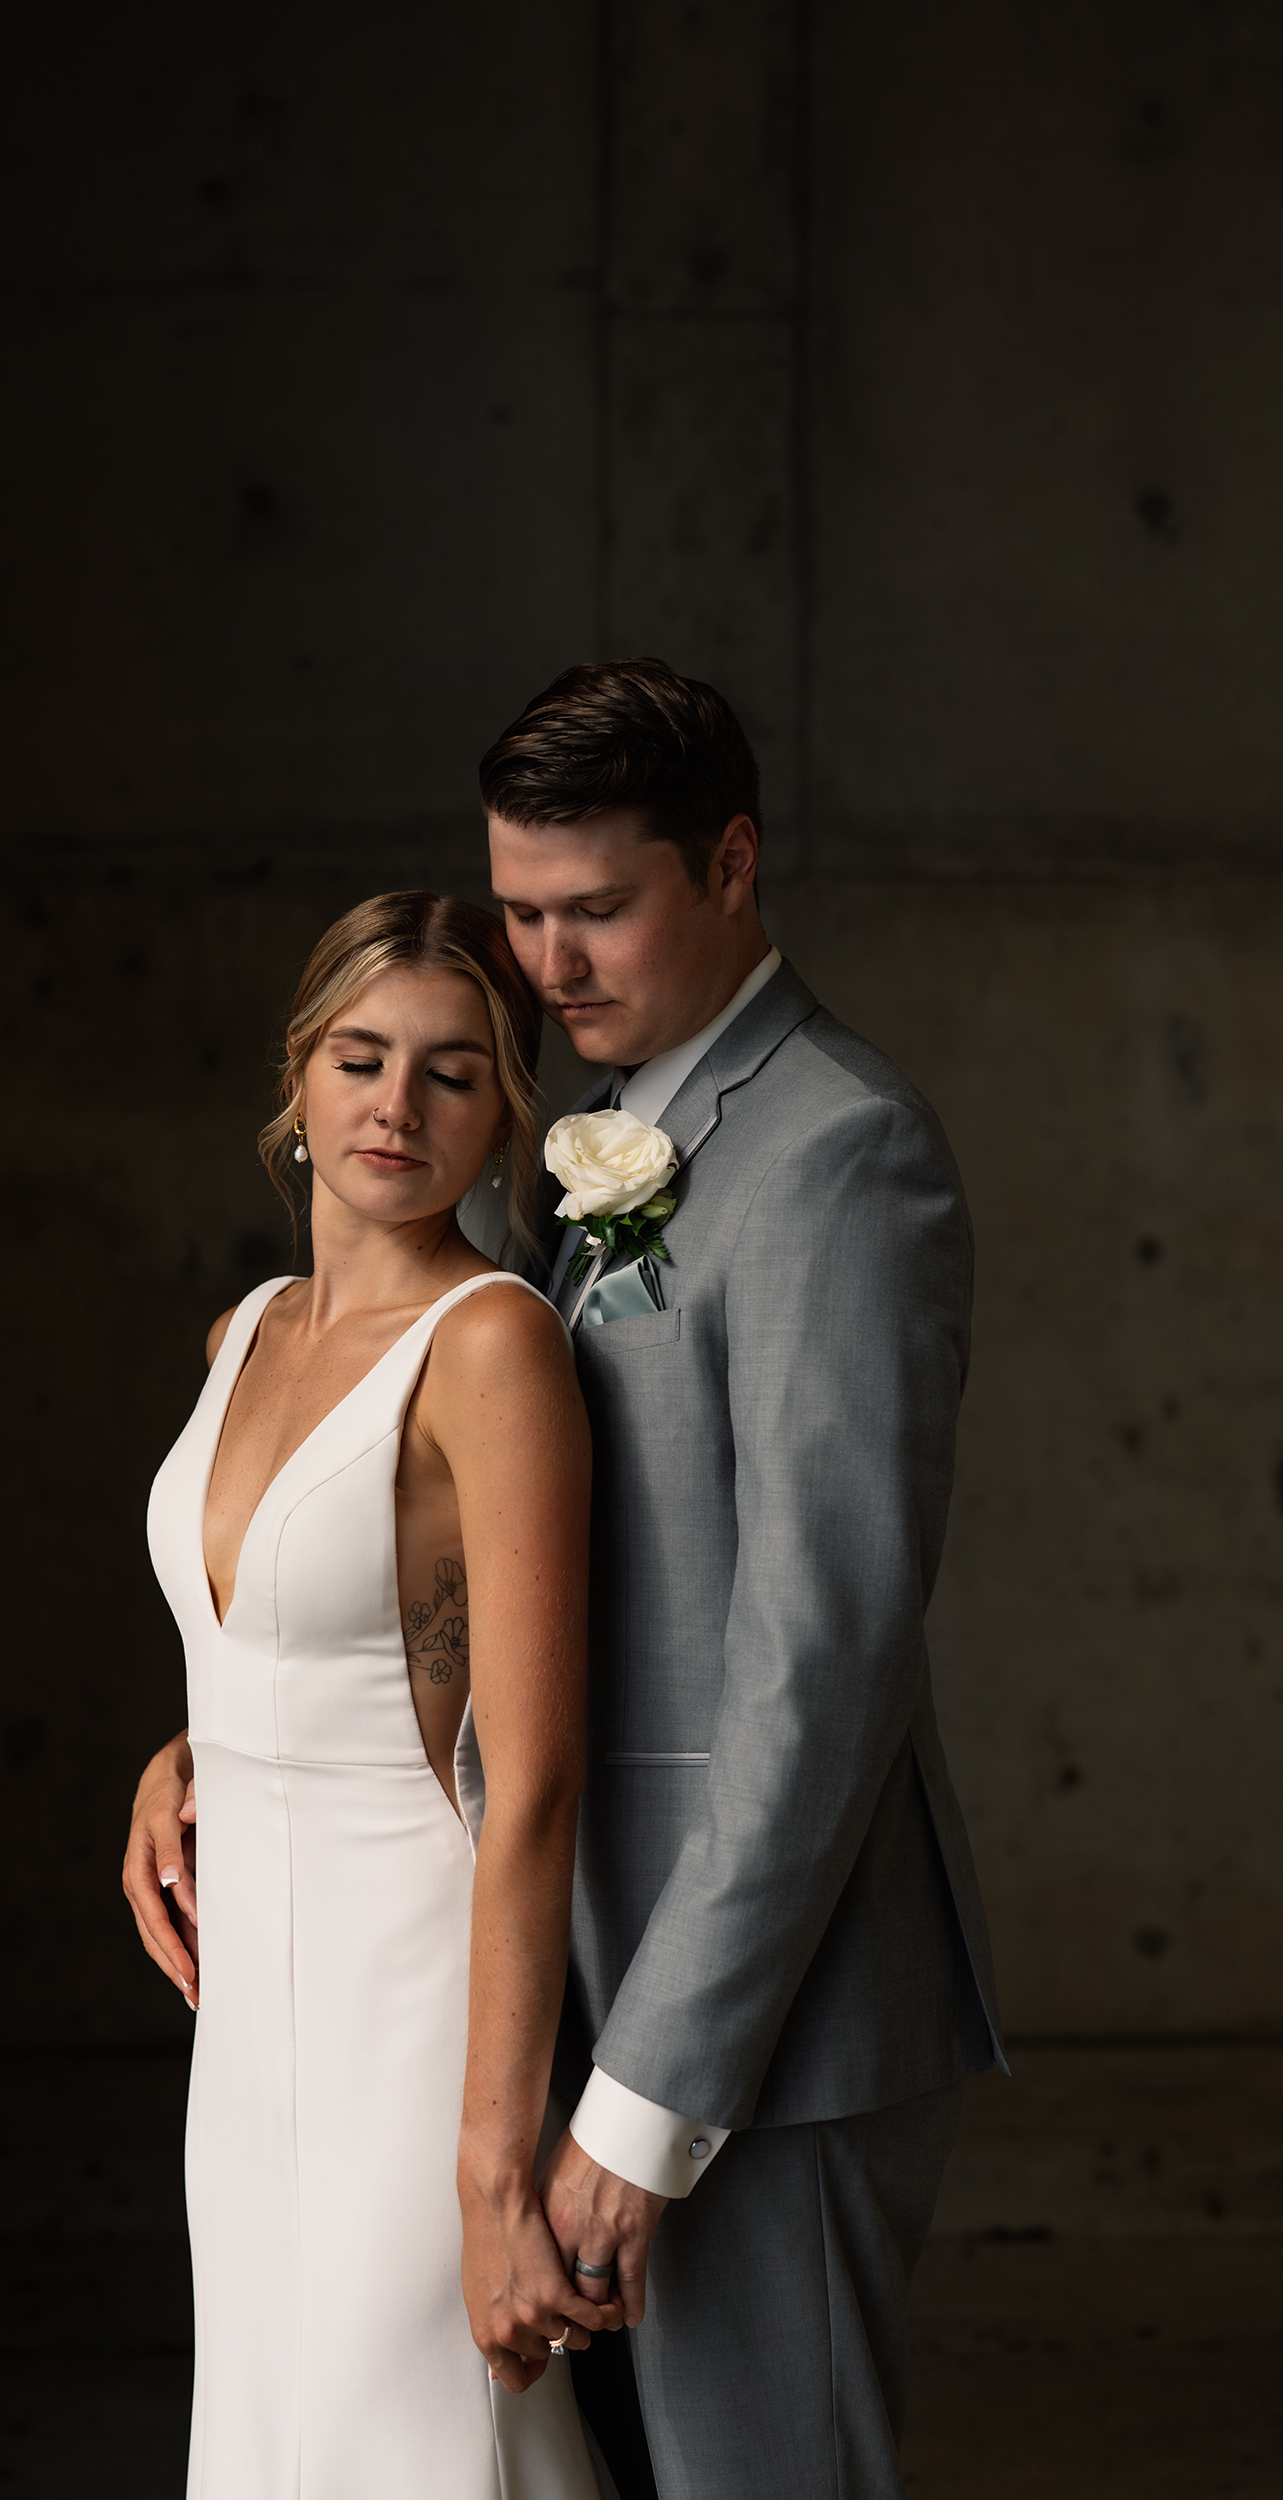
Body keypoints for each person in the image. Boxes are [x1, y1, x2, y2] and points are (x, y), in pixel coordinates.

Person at [480, 659, 1007, 2500]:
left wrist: (647, 2092)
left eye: (596, 910)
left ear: (731, 862)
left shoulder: (837, 1153)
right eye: (522, 916)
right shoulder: (570, 1156)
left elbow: (822, 1658)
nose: (550, 968)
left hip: (755, 2035)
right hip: (582, 1978)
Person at [122, 893, 620, 2499]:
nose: (397, 1107)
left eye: (455, 1073)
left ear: (506, 1117)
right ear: (299, 1076)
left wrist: (493, 2172)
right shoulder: (245, 1331)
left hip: (415, 2020)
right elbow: (281, 1629)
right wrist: (183, 1754)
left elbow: (533, 1779)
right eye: (362, 1058)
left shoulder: (492, 1348)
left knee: (412, 2452)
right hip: (248, 2043)